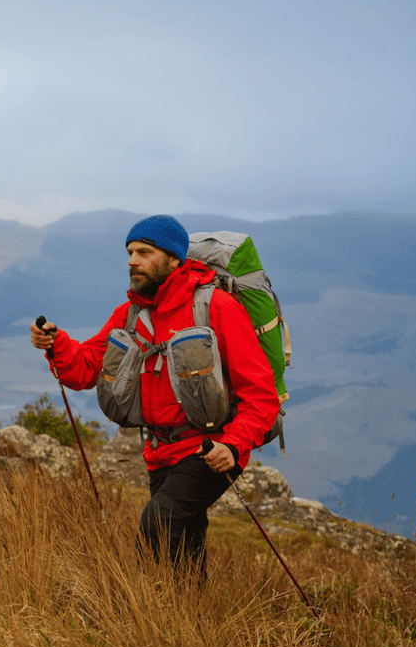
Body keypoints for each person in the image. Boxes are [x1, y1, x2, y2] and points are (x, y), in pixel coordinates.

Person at [30, 214, 279, 576]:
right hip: (160, 451)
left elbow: (261, 395)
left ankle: (152, 603)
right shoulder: (130, 315)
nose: (133, 260)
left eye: (144, 252)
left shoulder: (215, 308)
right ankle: (189, 615)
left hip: (211, 449)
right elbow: (85, 368)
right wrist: (57, 343)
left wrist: (234, 445)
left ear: (174, 259)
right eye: (130, 252)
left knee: (159, 522)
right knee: (185, 541)